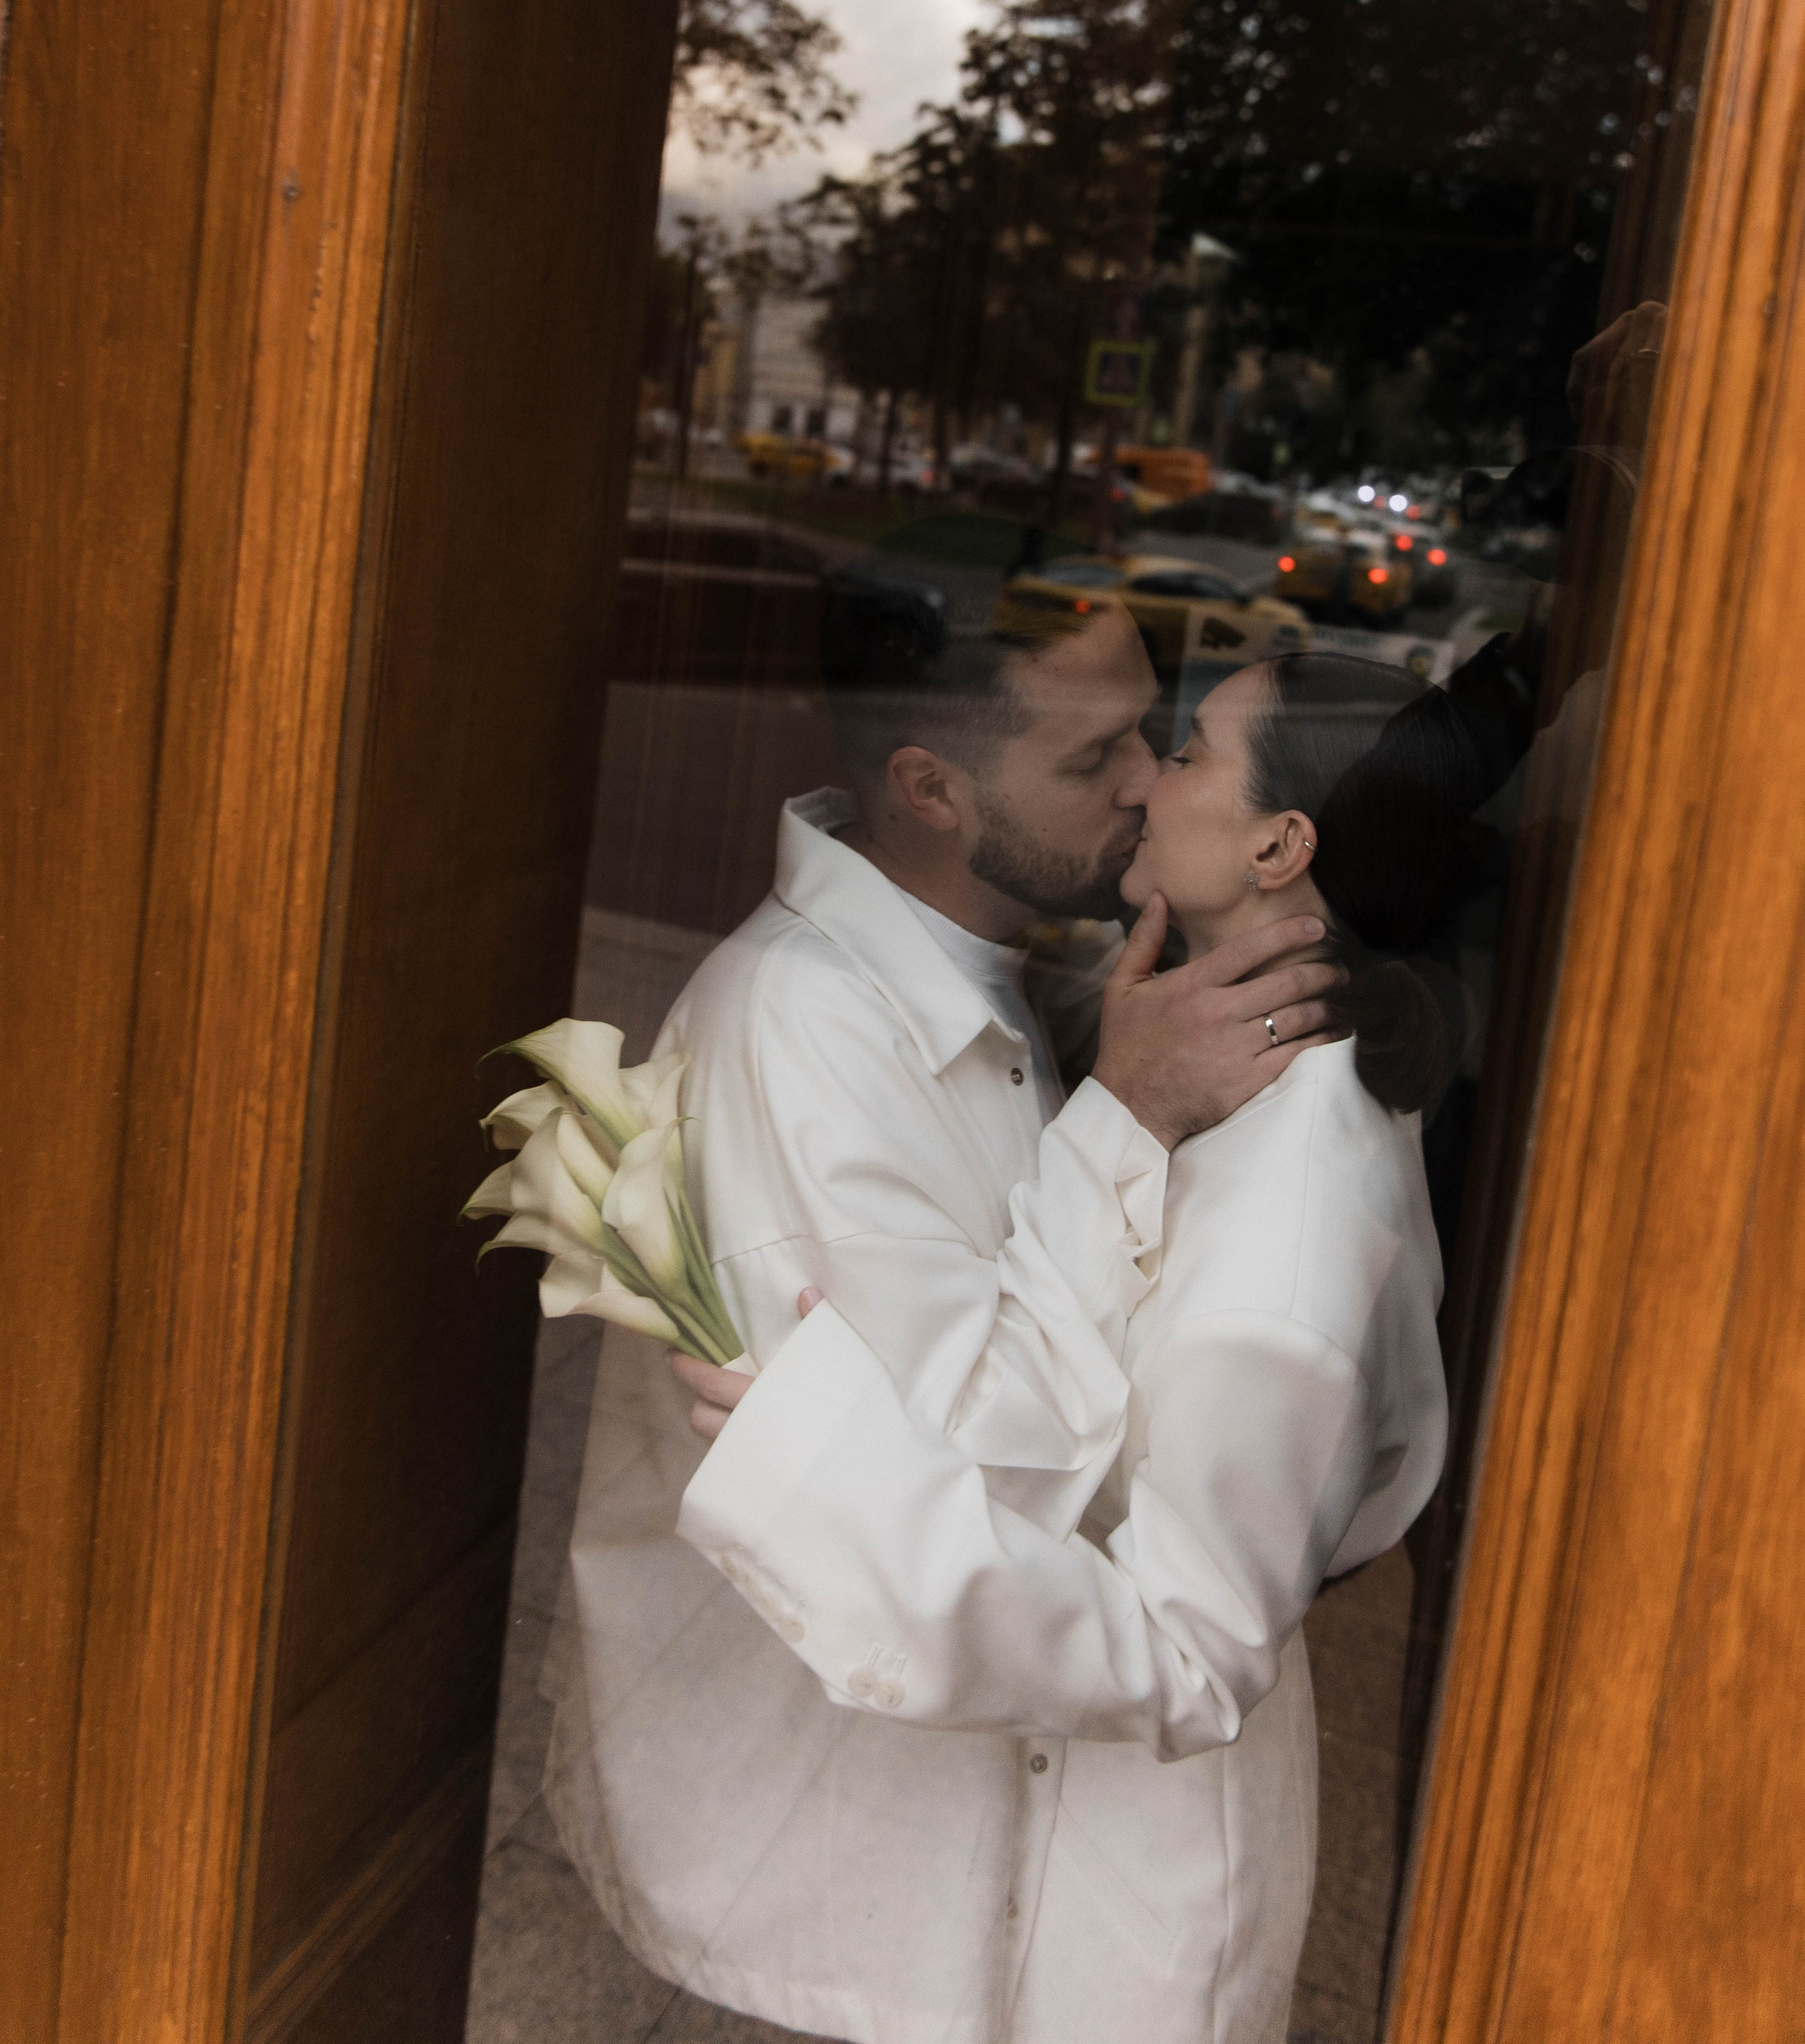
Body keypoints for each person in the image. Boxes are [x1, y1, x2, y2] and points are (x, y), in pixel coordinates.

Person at [541, 595, 1340, 2044]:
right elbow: (966, 1478)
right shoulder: (794, 1042)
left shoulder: (999, 953)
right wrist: (1127, 1118)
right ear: (929, 788)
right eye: (1093, 755)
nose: (1147, 785)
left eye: (1153, 739)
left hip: (942, 1822)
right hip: (822, 1869)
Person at [673, 652, 1467, 2044]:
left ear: (1284, 843)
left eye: (1188, 754)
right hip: (1054, 1810)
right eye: (1117, 751)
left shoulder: (1293, 1216)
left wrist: (826, 1484)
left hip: (1135, 1885)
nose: (1150, 783)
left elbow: (1190, 1651)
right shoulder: (1190, 1048)